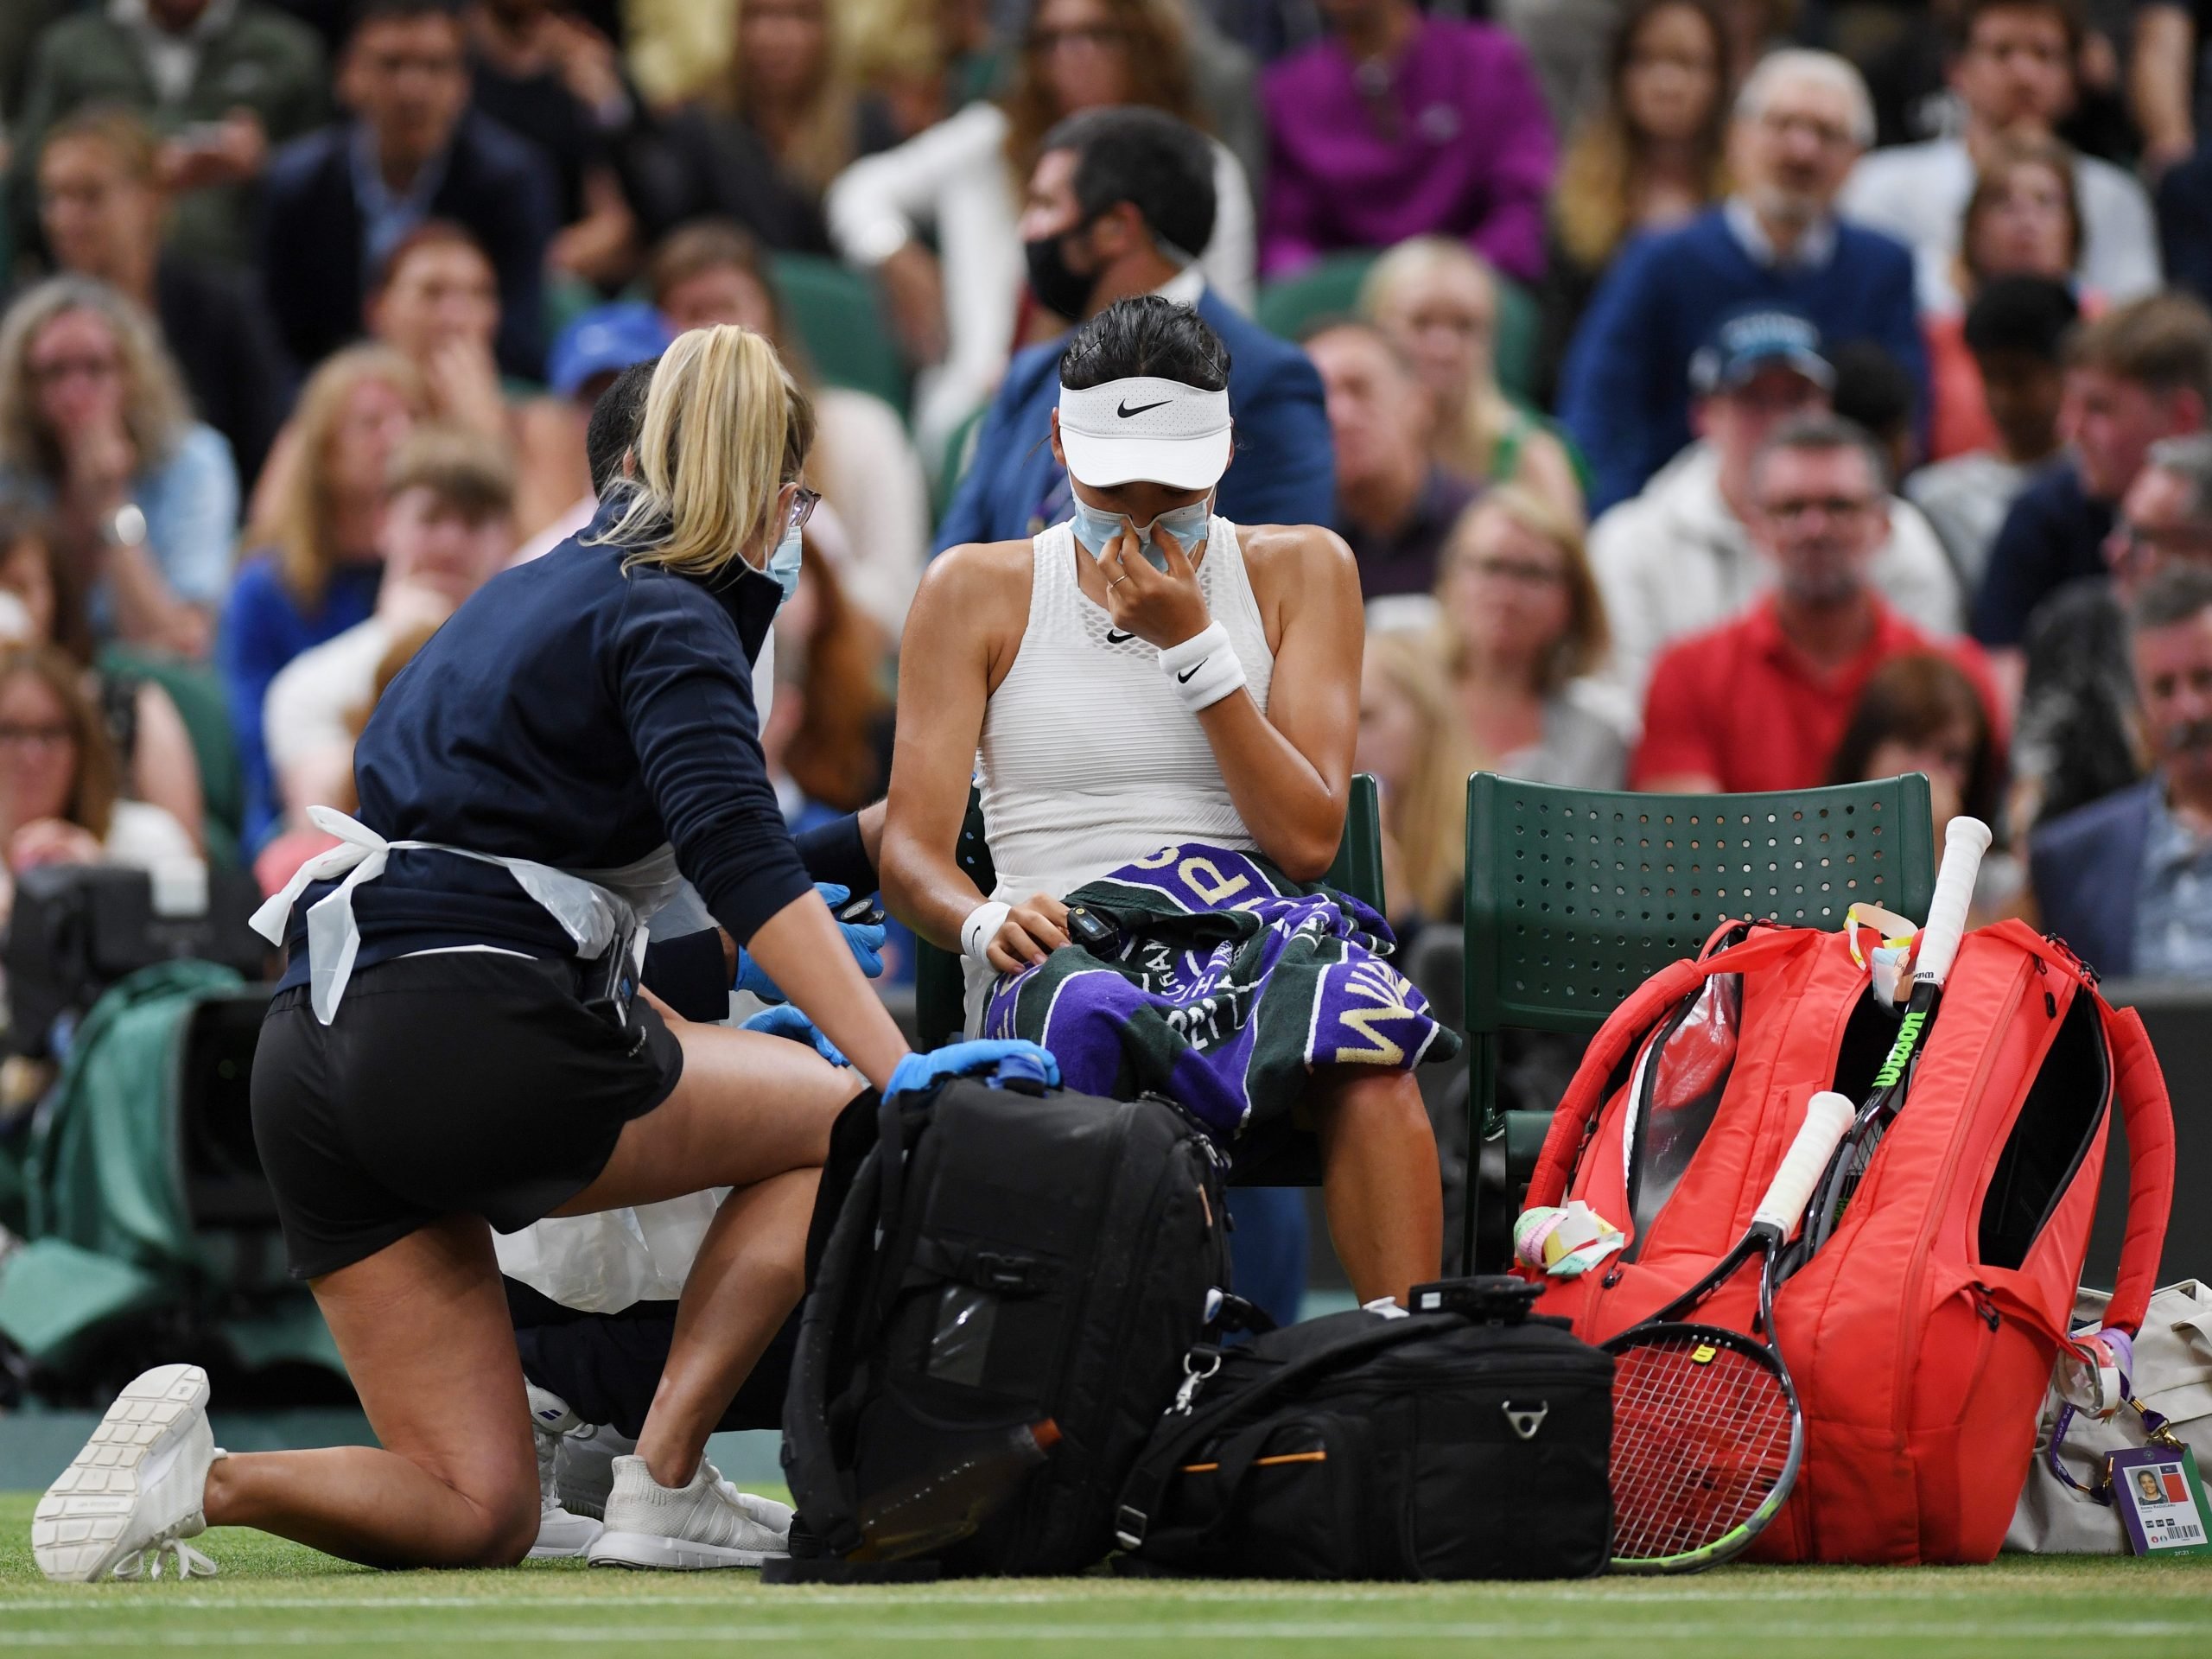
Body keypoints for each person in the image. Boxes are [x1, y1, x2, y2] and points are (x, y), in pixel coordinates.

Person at [31, 323, 1039, 1585]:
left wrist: (841, 845)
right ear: (774, 492)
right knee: (838, 1119)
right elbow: (734, 867)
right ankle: (663, 1478)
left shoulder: (526, 590)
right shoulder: (675, 614)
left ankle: (202, 1478)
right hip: (468, 1031)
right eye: (801, 499)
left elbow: (565, 833)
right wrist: (900, 1070)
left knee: (477, 1506)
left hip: (313, 1048)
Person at [886, 294, 1451, 1311]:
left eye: (1172, 487)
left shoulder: (1304, 569)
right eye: (1114, 486)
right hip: (1064, 945)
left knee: (1364, 1038)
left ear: (1228, 452)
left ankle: (1399, 1367)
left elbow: (1308, 838)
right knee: (1091, 1009)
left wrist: (1198, 651)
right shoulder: (972, 588)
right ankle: (1084, 1378)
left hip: (1248, 931)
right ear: (1057, 442)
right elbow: (912, 852)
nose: (1142, 518)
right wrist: (980, 919)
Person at [824, 0, 1257, 467]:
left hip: (1150, 410)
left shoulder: (1198, 170)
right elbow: (858, 191)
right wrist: (894, 253)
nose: (1074, 54)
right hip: (983, 400)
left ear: (1142, 46)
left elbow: (1228, 324)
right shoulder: (992, 144)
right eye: (1053, 40)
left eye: (1098, 35)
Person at [933, 107, 1332, 552]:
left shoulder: (1268, 378)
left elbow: (1287, 579)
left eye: (1046, 205)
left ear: (1117, 228)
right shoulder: (1029, 375)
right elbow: (955, 562)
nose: (1027, 228)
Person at [1560, 48, 1924, 514]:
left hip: (1827, 523)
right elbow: (1599, 412)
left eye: (1827, 134)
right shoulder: (1661, 259)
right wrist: (1620, 524)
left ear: (1856, 159)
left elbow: (1905, 423)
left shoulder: (1884, 268)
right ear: (1737, 137)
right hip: (1676, 525)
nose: (1802, 150)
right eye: (1782, 125)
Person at [1588, 307, 1962, 702]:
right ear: (1704, 415)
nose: (1778, 420)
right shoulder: (1631, 545)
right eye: (1753, 401)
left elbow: (1933, 699)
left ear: (1828, 407)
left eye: (1797, 398)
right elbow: (1631, 706)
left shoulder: (1895, 533)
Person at [1633, 414, 2003, 794]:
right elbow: (1682, 844)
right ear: (1756, 527)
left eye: (1839, 507)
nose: (1815, 529)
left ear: (1883, 524)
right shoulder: (1688, 676)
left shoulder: (1959, 677)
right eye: (1791, 508)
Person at [647, 219, 930, 636]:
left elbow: (898, 594)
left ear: (768, 313)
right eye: (692, 314)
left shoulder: (865, 429)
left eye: (727, 307)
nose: (713, 333)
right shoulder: (643, 455)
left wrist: (795, 601)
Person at [259, 0, 558, 378]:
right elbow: (275, 342)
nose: (412, 89)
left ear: (464, 83)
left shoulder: (511, 181)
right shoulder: (296, 184)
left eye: (435, 66)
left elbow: (519, 335)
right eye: (391, 64)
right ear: (349, 75)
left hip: (466, 387)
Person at [220, 347, 426, 849]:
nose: (399, 437)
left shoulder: (443, 562)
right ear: (324, 453)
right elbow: (259, 752)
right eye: (371, 423)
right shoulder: (265, 589)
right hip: (300, 817)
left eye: (412, 418)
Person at [263, 428, 516, 833]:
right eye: (431, 518)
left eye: (474, 521)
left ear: (504, 536)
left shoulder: (536, 666)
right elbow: (328, 828)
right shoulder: (305, 685)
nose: (451, 543)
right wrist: (404, 649)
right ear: (385, 522)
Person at [35, 104, 296, 492]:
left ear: (151, 199)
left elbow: (266, 452)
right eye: (55, 197)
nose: (65, 217)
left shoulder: (220, 312)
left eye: (90, 196)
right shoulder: (26, 326)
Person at [1838, 0, 2159, 311]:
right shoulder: (1882, 185)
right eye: (2002, 52)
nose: (2024, 74)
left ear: (2072, 78)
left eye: (2044, 54)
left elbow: (2133, 325)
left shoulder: (2115, 197)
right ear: (1957, 70)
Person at [1972, 291, 2212, 689]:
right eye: (2071, 406)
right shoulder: (2041, 517)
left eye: (2099, 408)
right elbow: (2003, 694)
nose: (2069, 430)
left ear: (2182, 418)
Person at [0, 276, 237, 661]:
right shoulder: (11, 472)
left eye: (95, 369)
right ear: (25, 387)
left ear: (131, 375)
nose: (76, 394)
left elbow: (182, 648)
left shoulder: (194, 463)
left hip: (147, 692)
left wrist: (111, 505)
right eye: (55, 373)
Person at [6, 0, 328, 270]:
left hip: (247, 273)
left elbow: (329, 187)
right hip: (95, 283)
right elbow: (26, 186)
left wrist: (266, 167)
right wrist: (106, 175)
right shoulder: (69, 49)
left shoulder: (287, 50)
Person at [1257, 0, 1554, 284]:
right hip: (1343, 310)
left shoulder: (1488, 62)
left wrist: (1460, 277)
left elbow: (1522, 207)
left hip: (1475, 292)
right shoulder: (1287, 92)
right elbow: (1284, 236)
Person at [2014, 433, 2212, 836]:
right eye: (2119, 527)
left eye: (2142, 538)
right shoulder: (2076, 631)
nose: (2114, 551)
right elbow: (2029, 818)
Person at [1540, 0, 1732, 403]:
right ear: (1617, 75)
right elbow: (1556, 356)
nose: (1667, 83)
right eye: (1645, 60)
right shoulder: (1572, 201)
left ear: (1720, 80)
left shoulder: (1746, 204)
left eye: (1688, 63)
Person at [2030, 563, 2212, 979]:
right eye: (2165, 689)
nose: (2189, 709)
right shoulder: (2069, 861)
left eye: (2206, 679)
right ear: (2138, 709)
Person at [0, 507, 206, 852]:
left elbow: (187, 877)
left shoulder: (124, 705)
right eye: (9, 732)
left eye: (20, 589)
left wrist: (102, 881)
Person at [623, 0, 899, 256]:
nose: (776, 37)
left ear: (827, 31)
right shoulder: (701, 127)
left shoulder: (867, 123)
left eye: (799, 17)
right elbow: (663, 223)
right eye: (758, 15)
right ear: (736, 29)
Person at [1357, 238, 1584, 519]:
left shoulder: (1533, 457)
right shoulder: (1352, 441)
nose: (1443, 348)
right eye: (1421, 323)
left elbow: (1566, 561)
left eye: (1465, 326)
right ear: (1375, 329)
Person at [1436, 485, 1630, 790]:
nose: (1506, 594)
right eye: (1490, 566)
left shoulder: (1597, 736)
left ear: (1572, 599)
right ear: (1452, 578)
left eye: (1530, 574)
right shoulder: (1400, 697)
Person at [0, 644, 201, 932]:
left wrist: (104, 883)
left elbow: (197, 943)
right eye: (9, 732)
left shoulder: (148, 838)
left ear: (82, 746)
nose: (32, 756)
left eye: (51, 733)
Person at [1908, 276, 2078, 596]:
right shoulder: (1937, 498)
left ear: (2067, 372)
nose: (2002, 399)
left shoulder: (2098, 485)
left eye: (2019, 379)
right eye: (1989, 378)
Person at [1828, 650, 2022, 921]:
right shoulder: (1815, 860)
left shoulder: (2000, 883)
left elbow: (1982, 962)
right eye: (1912, 744)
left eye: (1951, 756)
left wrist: (1939, 855)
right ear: (1866, 750)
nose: (1927, 774)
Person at [1921, 151, 2084, 467]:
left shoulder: (2108, 331)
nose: (2026, 220)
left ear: (2073, 227)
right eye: (2003, 203)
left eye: (2045, 202)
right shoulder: (1933, 338)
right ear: (1973, 229)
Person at [465, 0, 639, 289]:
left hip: (558, 270)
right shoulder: (446, 51)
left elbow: (615, 222)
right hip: (465, 256)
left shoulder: (583, 66)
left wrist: (607, 108)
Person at [1302, 320, 1475, 606]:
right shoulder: (1293, 541)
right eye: (1318, 399)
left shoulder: (1480, 528)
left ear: (1420, 404)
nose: (1338, 414)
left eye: (1360, 390)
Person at [1356, 628, 1474, 933]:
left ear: (1428, 720)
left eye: (1365, 717)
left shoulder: (1487, 837)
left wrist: (1403, 918)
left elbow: (1477, 979)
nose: (1344, 742)